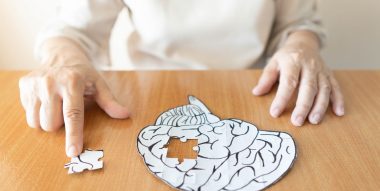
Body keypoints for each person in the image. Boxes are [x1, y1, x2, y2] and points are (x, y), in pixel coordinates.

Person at [18, 0, 344, 158]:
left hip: (258, 99)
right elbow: (69, 32)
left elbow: (299, 23)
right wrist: (64, 63)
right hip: (140, 107)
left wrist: (301, 46)